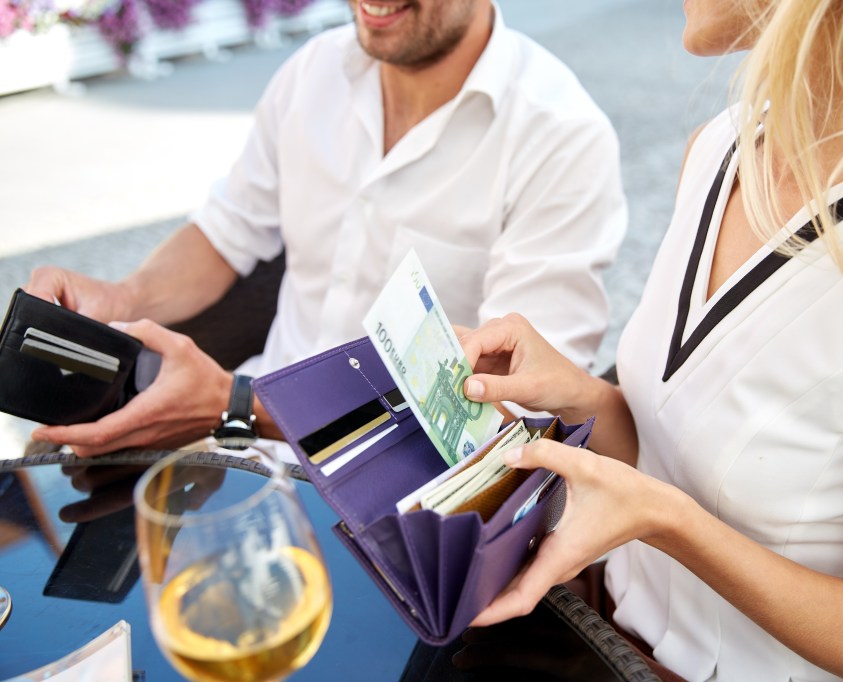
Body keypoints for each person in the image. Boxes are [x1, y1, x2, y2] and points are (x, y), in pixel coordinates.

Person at [456, 0, 843, 680]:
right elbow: (675, 454)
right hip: (597, 638)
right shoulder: (720, 146)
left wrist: (671, 524)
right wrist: (580, 397)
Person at [23, 0, 626, 456]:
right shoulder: (313, 71)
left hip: (409, 502)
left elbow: (511, 411)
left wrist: (237, 404)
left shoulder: (560, 138)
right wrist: (121, 297)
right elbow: (226, 232)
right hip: (247, 446)